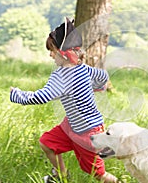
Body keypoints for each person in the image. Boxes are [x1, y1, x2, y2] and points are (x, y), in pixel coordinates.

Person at [10, 18, 118, 183]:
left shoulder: (61, 76)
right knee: (47, 143)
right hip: (71, 126)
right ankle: (61, 176)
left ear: (63, 52)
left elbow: (41, 96)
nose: (50, 55)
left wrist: (17, 95)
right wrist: (97, 87)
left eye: (52, 50)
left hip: (88, 132)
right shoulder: (84, 68)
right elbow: (102, 76)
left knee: (97, 173)